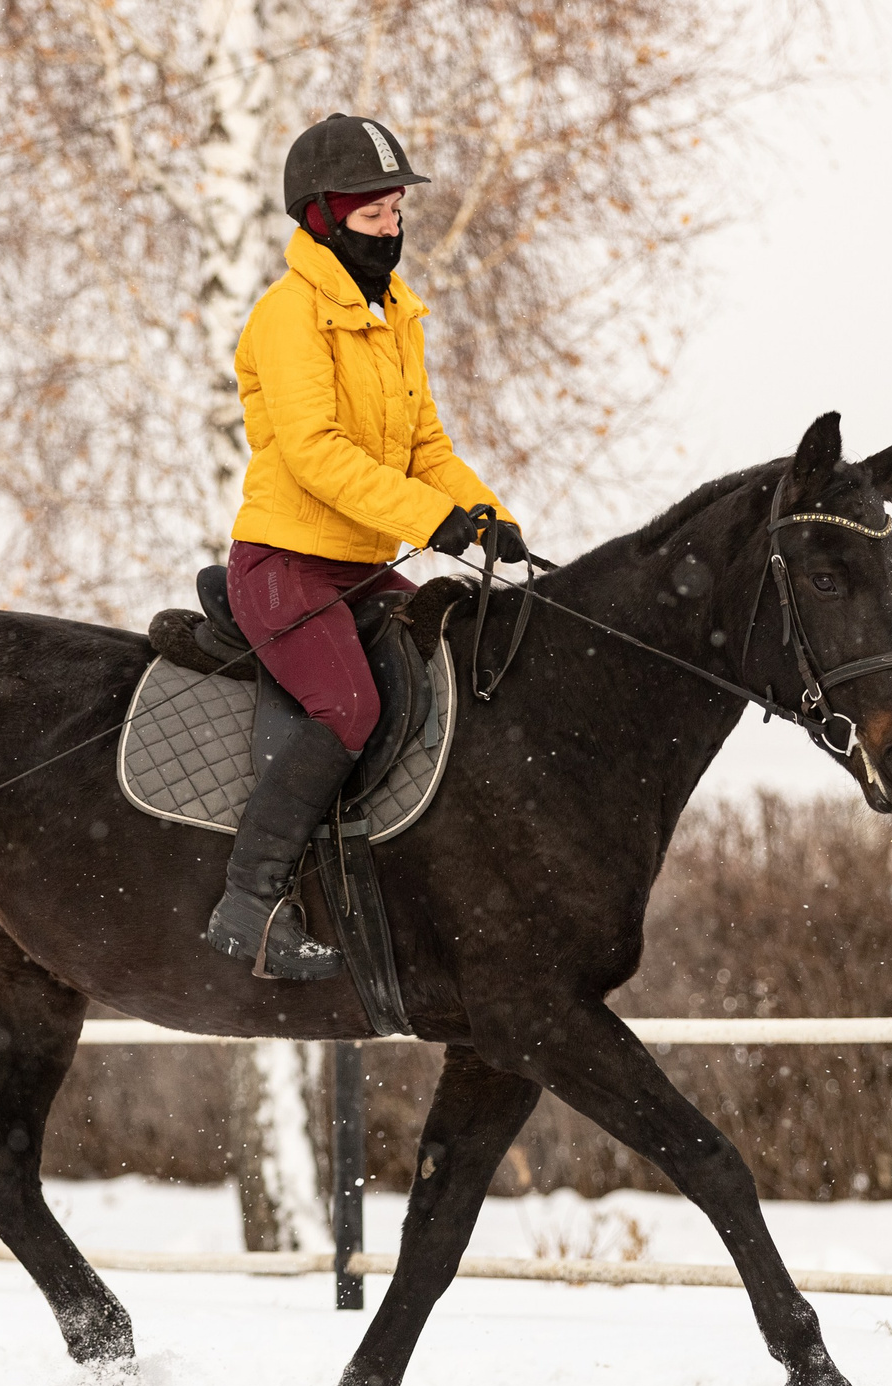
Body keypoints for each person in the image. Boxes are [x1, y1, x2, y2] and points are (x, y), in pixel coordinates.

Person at [204, 113, 526, 980]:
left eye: (396, 211)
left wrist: (485, 516)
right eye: (377, 213)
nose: (395, 227)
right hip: (284, 564)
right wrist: (431, 521)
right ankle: (252, 901)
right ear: (323, 216)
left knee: (447, 674)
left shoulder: (397, 317)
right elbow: (313, 452)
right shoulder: (288, 316)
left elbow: (427, 449)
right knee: (349, 706)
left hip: (363, 567)